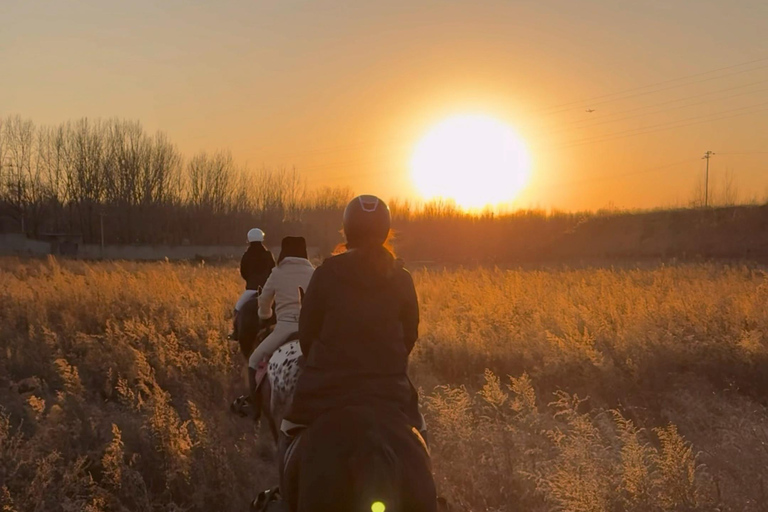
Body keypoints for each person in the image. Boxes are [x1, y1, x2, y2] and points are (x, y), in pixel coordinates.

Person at [283, 194, 428, 445]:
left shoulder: (325, 273)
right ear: (385, 231)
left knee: (289, 431)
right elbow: (409, 336)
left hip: (326, 388)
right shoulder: (402, 278)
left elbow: (306, 335)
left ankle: (286, 485)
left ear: (347, 229)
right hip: (388, 388)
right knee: (420, 434)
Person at [248, 236, 315, 403]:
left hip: (284, 328)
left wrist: (265, 315)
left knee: (254, 360)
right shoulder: (314, 272)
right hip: (310, 331)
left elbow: (264, 300)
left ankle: (253, 405)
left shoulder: (277, 273)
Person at [230, 228, 275, 340]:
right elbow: (273, 270)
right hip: (267, 290)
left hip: (251, 289)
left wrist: (251, 281)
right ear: (262, 239)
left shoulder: (246, 255)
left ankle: (235, 333)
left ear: (249, 239)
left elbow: (243, 272)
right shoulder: (268, 254)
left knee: (238, 309)